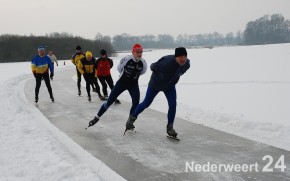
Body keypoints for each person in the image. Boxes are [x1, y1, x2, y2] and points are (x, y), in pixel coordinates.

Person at [125, 47, 190, 138]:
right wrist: (160, 76)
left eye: (184, 57)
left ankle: (170, 128)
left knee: (173, 105)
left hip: (169, 86)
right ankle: (131, 119)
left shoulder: (187, 64)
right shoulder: (166, 63)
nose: (183, 59)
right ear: (176, 57)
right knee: (146, 103)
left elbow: (178, 73)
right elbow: (152, 66)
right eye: (180, 57)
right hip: (155, 85)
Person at [88, 44, 147, 127]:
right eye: (138, 52)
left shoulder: (143, 63)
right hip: (121, 83)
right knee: (109, 102)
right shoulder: (127, 59)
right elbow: (119, 69)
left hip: (133, 84)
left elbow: (143, 72)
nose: (140, 54)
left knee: (136, 103)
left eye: (141, 52)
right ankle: (96, 117)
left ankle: (130, 122)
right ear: (133, 52)